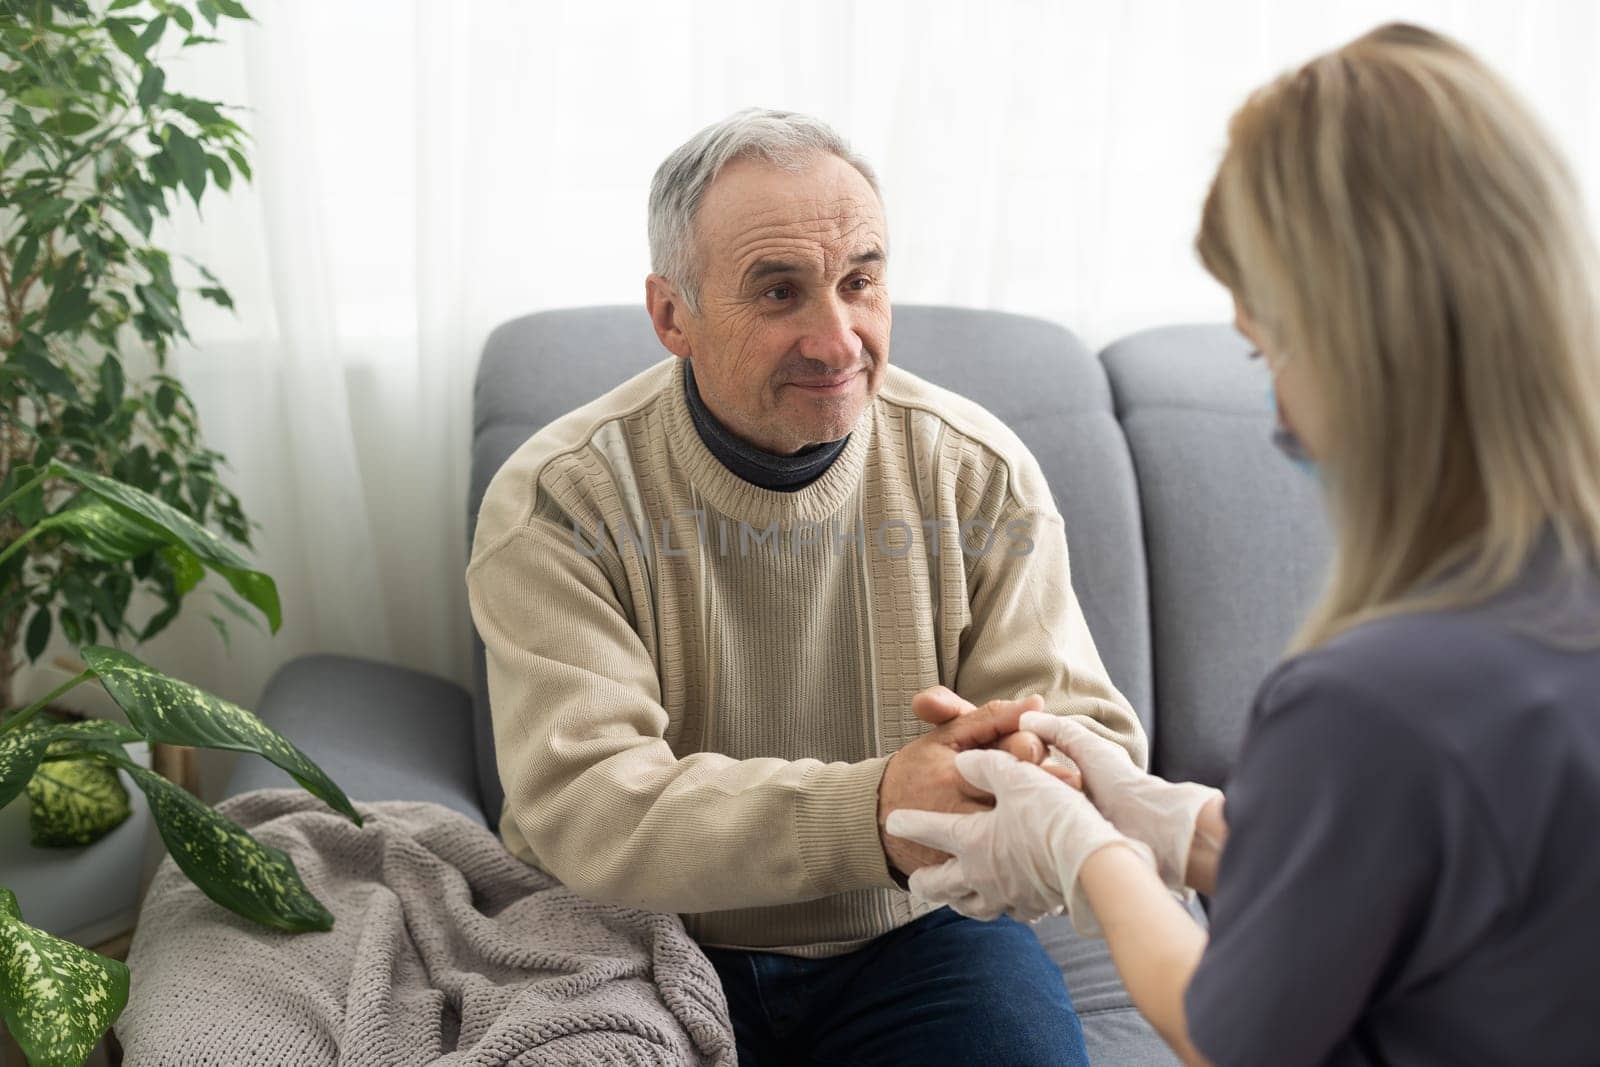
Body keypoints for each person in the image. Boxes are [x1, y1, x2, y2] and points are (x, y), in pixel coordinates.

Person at [888, 22, 1600, 1066]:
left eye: (1271, 349)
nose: (1278, 408)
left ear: (1359, 341)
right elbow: (1455, 897)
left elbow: (1235, 1032)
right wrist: (1185, 828)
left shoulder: (1370, 696)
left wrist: (1085, 852)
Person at [465, 107, 1147, 1065]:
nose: (838, 341)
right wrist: (876, 809)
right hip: (636, 935)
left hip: (913, 930)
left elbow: (1098, 734)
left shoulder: (978, 470)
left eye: (860, 282)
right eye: (779, 292)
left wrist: (1037, 763)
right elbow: (590, 803)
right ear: (673, 316)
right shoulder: (557, 499)